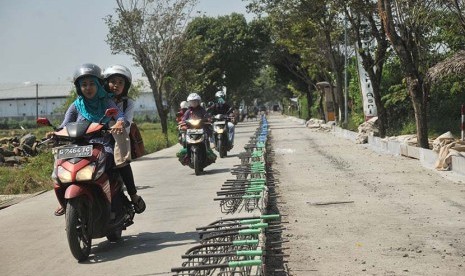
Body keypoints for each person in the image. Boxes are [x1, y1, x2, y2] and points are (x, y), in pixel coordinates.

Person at [53, 63, 128, 216]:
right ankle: (65, 201)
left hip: (102, 143)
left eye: (92, 83)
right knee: (60, 166)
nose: (88, 88)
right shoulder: (76, 105)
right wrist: (54, 133)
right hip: (78, 146)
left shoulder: (106, 102)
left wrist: (119, 122)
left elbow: (120, 116)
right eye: (84, 84)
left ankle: (111, 194)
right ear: (79, 87)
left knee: (108, 160)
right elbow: (64, 124)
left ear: (99, 85)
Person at [103, 64, 146, 214]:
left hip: (118, 138)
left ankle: (133, 195)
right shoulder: (98, 99)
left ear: (125, 86)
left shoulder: (128, 103)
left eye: (120, 82)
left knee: (121, 163)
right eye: (113, 81)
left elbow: (126, 121)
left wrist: (118, 125)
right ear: (106, 83)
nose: (116, 85)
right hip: (97, 138)